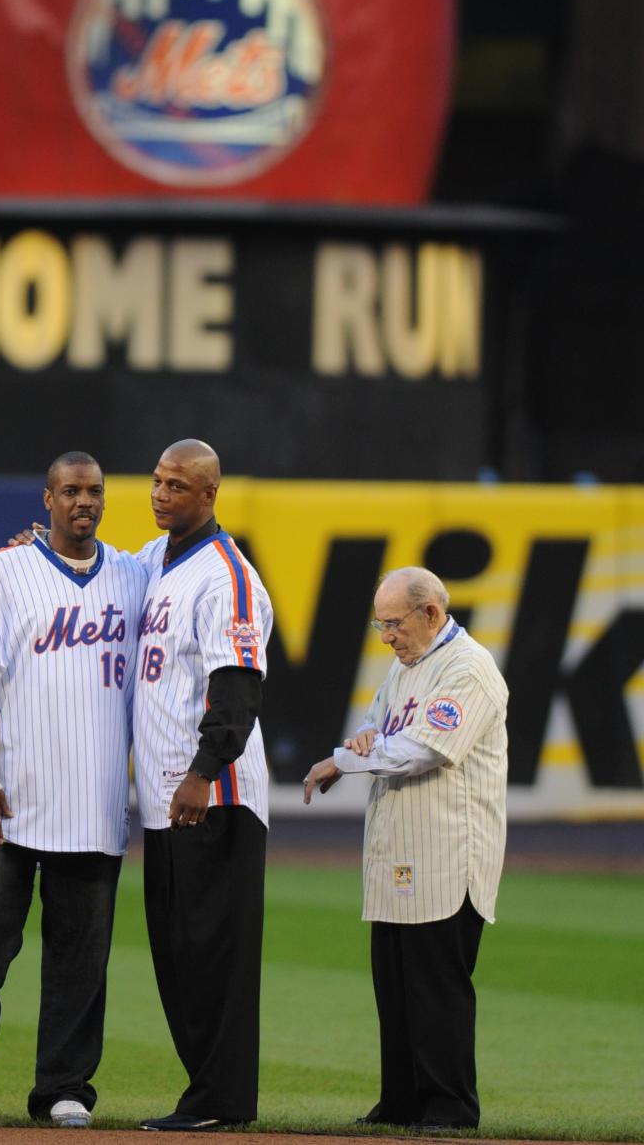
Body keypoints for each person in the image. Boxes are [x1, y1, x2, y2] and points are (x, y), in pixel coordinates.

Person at [0, 451, 146, 1126]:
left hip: (94, 801)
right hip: (8, 800)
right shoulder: (2, 571)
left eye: (95, 491)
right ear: (47, 499)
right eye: (71, 491)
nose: (84, 502)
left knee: (80, 964)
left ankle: (64, 1088)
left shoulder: (135, 577)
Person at [303, 567, 508, 1134]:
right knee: (394, 985)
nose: (387, 635)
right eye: (380, 624)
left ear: (432, 614)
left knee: (436, 987)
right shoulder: (404, 669)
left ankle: (451, 1107)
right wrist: (362, 741)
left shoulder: (469, 669)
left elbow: (422, 750)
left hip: (447, 853)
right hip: (399, 851)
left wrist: (347, 759)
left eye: (394, 623)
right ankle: (401, 1102)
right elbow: (374, 731)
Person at [133, 439, 274, 1132]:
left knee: (213, 955)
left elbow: (237, 690)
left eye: (178, 485)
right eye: (157, 481)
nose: (161, 494)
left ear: (210, 493)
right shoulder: (155, 561)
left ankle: (220, 1102)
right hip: (167, 800)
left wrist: (200, 774)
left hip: (213, 796)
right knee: (179, 956)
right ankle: (208, 1097)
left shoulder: (228, 577)